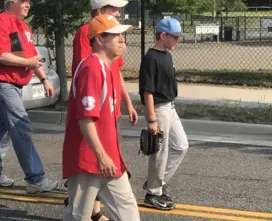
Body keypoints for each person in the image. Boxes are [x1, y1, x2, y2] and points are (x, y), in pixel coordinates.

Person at [0, 0, 58, 194]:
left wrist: (44, 79)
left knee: (2, 130)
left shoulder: (22, 27)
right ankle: (35, 178)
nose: (28, 4)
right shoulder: (0, 23)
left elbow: (28, 57)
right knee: (21, 127)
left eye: (29, 1)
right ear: (11, 3)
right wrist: (30, 64)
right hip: (2, 84)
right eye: (24, 1)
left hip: (12, 86)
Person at [62, 14, 140, 221]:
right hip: (90, 160)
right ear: (99, 39)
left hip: (110, 161)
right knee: (78, 217)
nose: (122, 39)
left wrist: (108, 156)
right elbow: (85, 119)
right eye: (115, 35)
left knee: (129, 215)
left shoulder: (107, 69)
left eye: (122, 34)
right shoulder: (92, 68)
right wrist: (101, 155)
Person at [138, 18, 189, 210]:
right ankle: (153, 193)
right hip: (159, 109)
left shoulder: (167, 55)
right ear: (162, 35)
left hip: (170, 107)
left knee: (181, 145)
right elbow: (147, 91)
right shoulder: (150, 58)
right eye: (175, 37)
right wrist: (151, 119)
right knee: (160, 153)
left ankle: (155, 183)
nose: (177, 41)